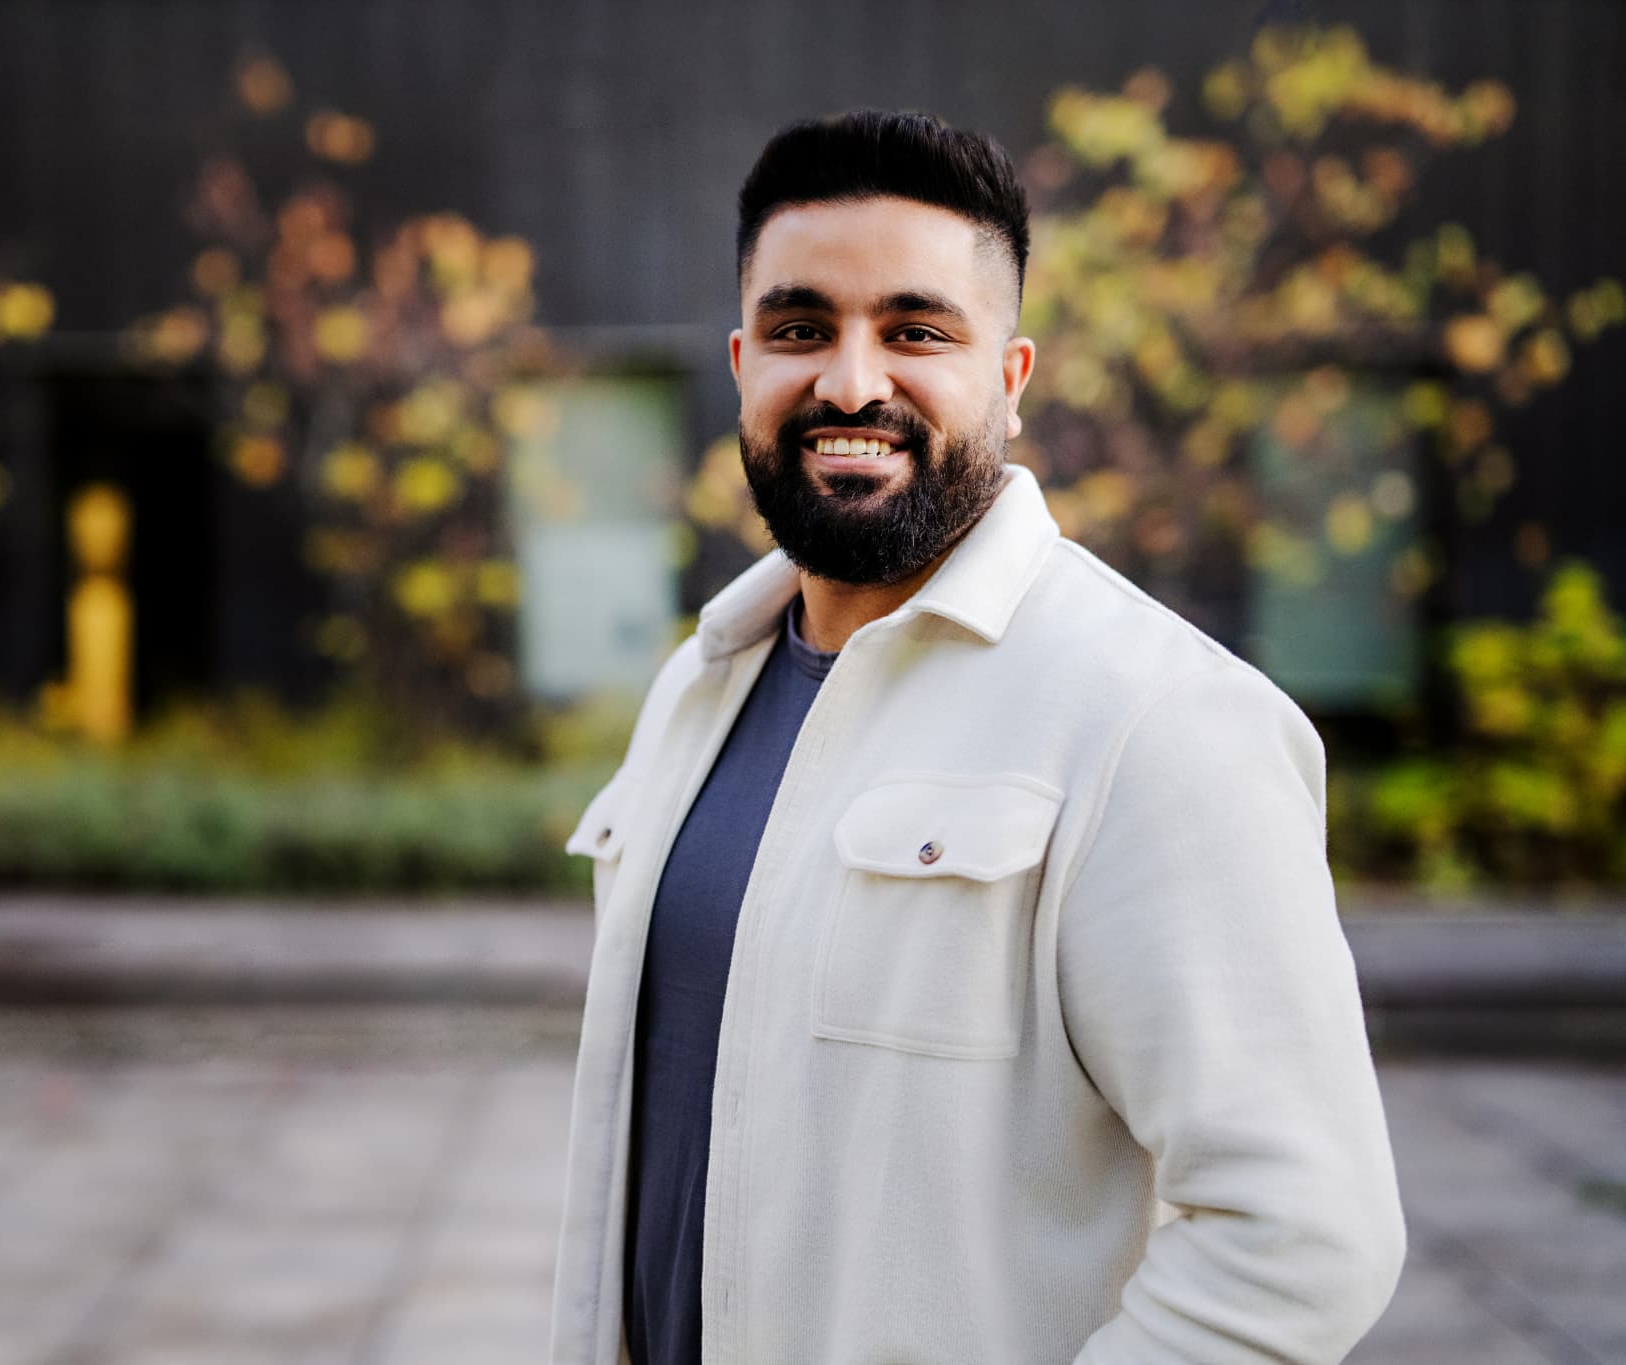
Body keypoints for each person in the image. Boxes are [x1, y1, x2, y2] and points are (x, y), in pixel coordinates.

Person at [546, 111, 1406, 1365]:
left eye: (913, 330)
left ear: (1007, 378)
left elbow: (1301, 1238)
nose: (848, 382)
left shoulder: (1157, 719)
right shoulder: (698, 683)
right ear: (740, 366)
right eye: (799, 330)